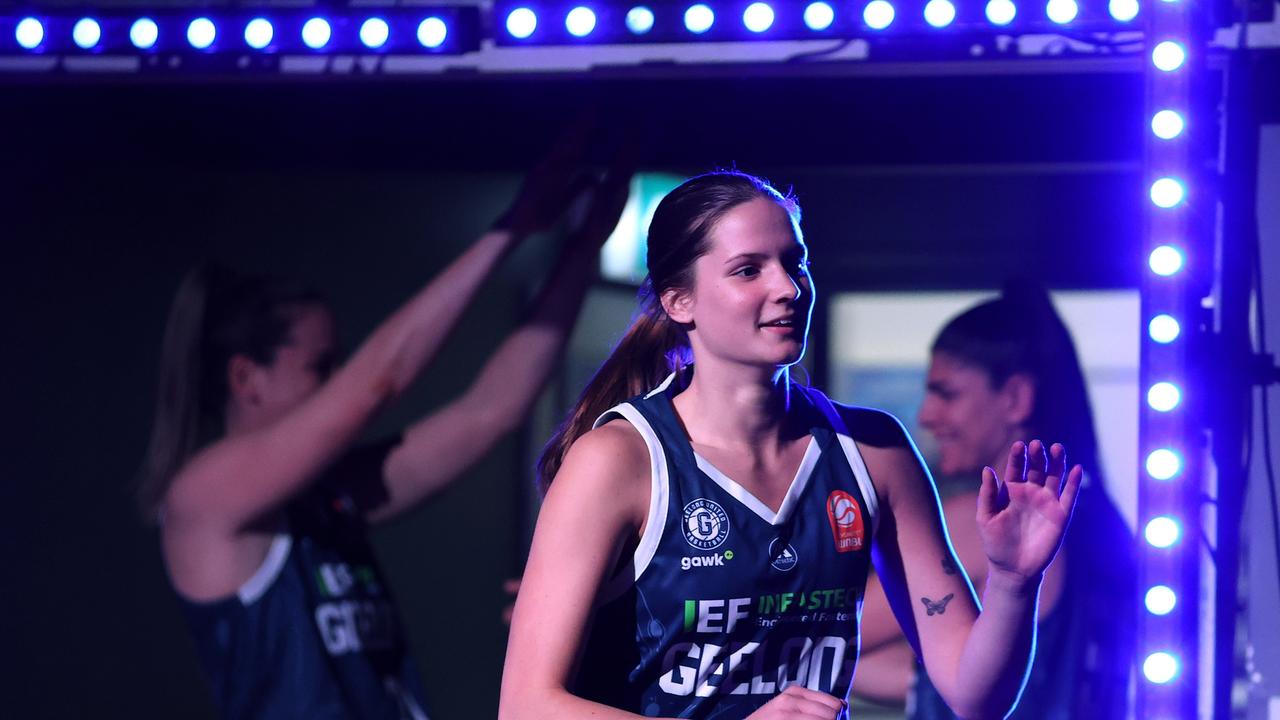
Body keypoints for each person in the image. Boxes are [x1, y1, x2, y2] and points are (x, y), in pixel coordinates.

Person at [499, 171, 1084, 720]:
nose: (787, 287)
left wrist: (1012, 581)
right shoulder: (620, 459)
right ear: (681, 302)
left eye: (794, 262)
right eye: (748, 270)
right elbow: (526, 705)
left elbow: (973, 696)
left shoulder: (873, 449)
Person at [136, 139, 633, 719]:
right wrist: (513, 228)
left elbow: (491, 409)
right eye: (322, 366)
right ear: (247, 378)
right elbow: (377, 382)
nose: (341, 379)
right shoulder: (204, 495)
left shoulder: (329, 497)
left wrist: (583, 246)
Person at [851, 282, 1136, 719]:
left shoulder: (976, 524)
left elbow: (831, 632)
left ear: (1015, 397)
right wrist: (937, 679)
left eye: (946, 393)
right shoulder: (1103, 525)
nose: (926, 416)